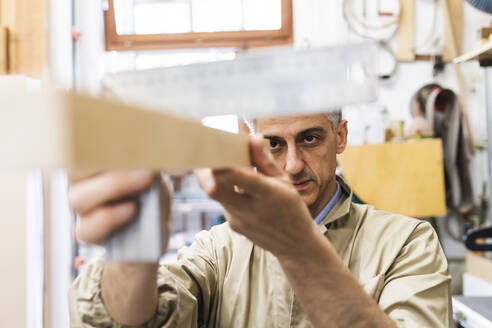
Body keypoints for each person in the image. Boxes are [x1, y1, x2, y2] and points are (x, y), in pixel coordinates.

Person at [68, 112, 452, 327]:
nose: (293, 164)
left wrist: (296, 245)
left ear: (341, 137)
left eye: (311, 138)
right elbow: (137, 320)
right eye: (274, 143)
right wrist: (134, 247)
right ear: (252, 146)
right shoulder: (220, 249)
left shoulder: (407, 242)